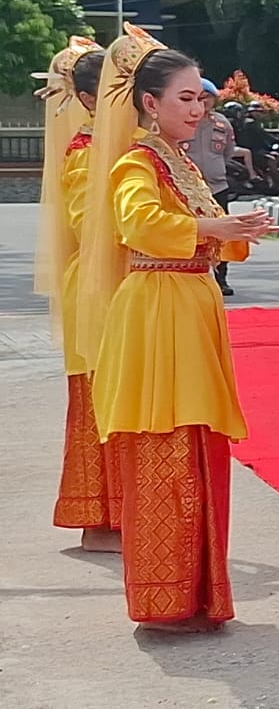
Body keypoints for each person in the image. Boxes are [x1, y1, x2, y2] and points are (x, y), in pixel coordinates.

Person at [77, 26, 275, 631]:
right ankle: (164, 596)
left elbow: (211, 232)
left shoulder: (177, 161)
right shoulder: (137, 162)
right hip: (159, 307)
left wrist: (231, 232)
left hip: (188, 302)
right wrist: (215, 230)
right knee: (165, 442)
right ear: (149, 103)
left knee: (195, 442)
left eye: (200, 99)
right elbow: (139, 224)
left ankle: (194, 593)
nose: (197, 109)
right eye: (185, 98)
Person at [33, 37, 121, 552]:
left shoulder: (121, 147)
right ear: (89, 100)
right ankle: (99, 518)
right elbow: (93, 228)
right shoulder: (88, 154)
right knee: (100, 398)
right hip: (96, 285)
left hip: (116, 283)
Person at [184, 78, 241, 296]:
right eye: (199, 98)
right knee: (192, 231)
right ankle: (191, 275)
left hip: (217, 186)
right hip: (188, 185)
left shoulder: (222, 123)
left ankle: (221, 278)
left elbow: (228, 151)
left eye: (208, 98)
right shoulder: (185, 120)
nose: (204, 102)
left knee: (221, 233)